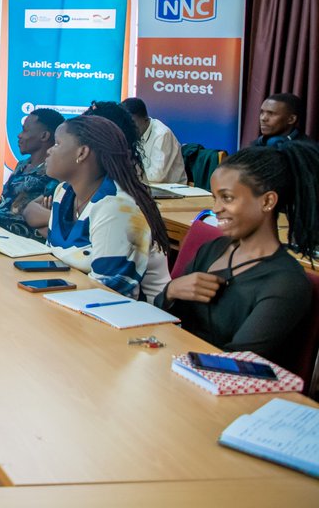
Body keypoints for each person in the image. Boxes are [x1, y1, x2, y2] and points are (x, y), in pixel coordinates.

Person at [155, 142, 316, 360]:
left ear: (267, 201)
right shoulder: (212, 250)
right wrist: (171, 290)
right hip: (177, 366)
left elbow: (235, 363)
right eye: (215, 198)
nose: (216, 209)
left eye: (227, 198)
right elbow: (160, 318)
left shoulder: (286, 283)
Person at [41, 116, 171, 300]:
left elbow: (108, 294)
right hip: (75, 303)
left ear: (82, 153)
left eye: (57, 143)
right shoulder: (63, 192)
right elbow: (55, 262)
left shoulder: (117, 207)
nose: (48, 151)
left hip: (133, 318)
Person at [0, 108, 64, 239]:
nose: (19, 135)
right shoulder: (22, 165)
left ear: (44, 136)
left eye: (25, 130)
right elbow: (3, 204)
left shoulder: (54, 176)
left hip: (14, 240)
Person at [120, 97, 187, 184]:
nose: (129, 128)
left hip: (173, 191)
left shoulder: (162, 134)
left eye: (132, 123)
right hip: (147, 188)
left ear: (146, 119)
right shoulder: (131, 134)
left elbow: (156, 177)